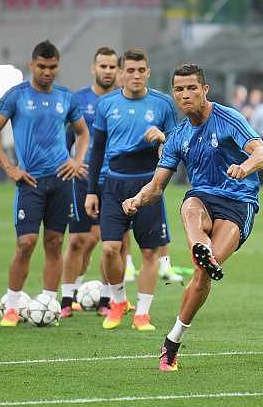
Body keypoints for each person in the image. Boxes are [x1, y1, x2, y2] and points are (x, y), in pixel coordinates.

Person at [121, 63, 263, 372]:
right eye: (179, 89)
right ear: (174, 94)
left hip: (239, 202)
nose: (185, 94)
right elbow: (157, 186)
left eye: (192, 88)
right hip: (203, 199)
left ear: (205, 90)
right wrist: (137, 199)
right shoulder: (177, 137)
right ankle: (201, 250)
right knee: (190, 207)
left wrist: (245, 167)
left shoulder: (229, 118)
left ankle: (172, 340)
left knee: (203, 274)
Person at [0, 40, 90, 326]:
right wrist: (9, 167)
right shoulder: (16, 95)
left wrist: (77, 160)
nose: (47, 72)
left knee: (54, 243)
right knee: (26, 243)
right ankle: (13, 305)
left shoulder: (66, 97)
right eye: (42, 66)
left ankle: (47, 301)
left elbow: (83, 133)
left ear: (58, 67)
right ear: (32, 65)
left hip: (61, 180)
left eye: (52, 67)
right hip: (29, 181)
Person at [85, 48, 177, 331]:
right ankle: (119, 301)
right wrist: (91, 191)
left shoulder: (162, 104)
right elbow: (97, 149)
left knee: (149, 253)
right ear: (121, 73)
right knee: (111, 249)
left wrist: (162, 137)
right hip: (113, 184)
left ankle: (143, 314)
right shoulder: (107, 104)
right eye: (130, 71)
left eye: (141, 70)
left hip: (149, 184)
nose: (136, 75)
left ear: (148, 72)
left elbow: (176, 146)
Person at [60, 47, 119, 318]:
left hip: (116, 180)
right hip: (84, 179)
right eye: (102, 66)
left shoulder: (123, 100)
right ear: (93, 68)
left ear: (117, 70)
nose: (107, 71)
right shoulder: (78, 99)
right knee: (77, 240)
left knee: (109, 240)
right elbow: (66, 141)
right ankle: (66, 300)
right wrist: (72, 163)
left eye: (111, 66)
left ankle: (107, 299)